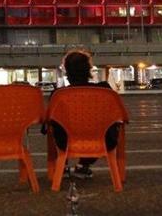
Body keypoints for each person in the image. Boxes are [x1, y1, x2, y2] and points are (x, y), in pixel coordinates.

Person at [44, 47, 121, 179]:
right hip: (102, 140)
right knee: (105, 127)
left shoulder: (58, 94)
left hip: (66, 141)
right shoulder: (104, 90)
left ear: (67, 72)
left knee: (55, 125)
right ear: (88, 70)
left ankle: (63, 165)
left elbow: (47, 123)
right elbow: (120, 116)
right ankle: (84, 165)